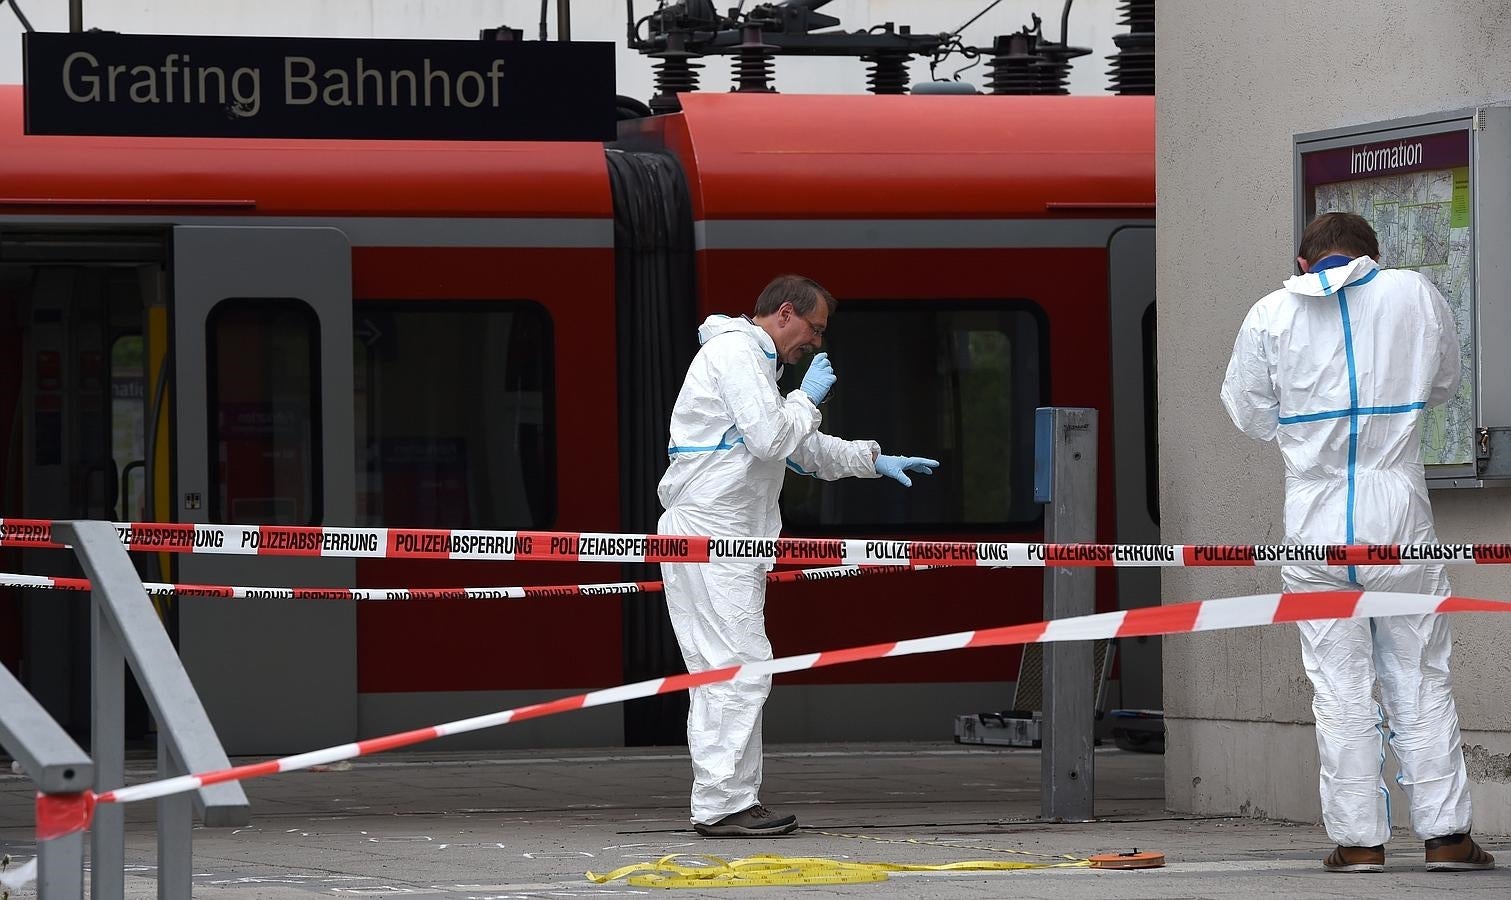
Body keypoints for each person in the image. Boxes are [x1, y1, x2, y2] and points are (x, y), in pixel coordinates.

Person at [1220, 212, 1493, 873]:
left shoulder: (1267, 313)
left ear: (1301, 259)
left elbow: (1247, 413)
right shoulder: (1412, 293)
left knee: (1337, 685)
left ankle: (1358, 843)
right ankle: (1447, 839)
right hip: (1395, 512)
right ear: (1372, 254)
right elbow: (1444, 383)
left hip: (1313, 518)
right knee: (1420, 675)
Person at [657, 274, 939, 837]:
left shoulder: (757, 364)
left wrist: (870, 459)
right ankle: (722, 805)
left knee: (730, 669)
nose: (817, 343)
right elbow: (771, 438)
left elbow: (798, 449)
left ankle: (732, 800)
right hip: (714, 536)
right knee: (737, 670)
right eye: (814, 329)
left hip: (724, 537)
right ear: (784, 312)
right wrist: (807, 398)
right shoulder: (736, 354)